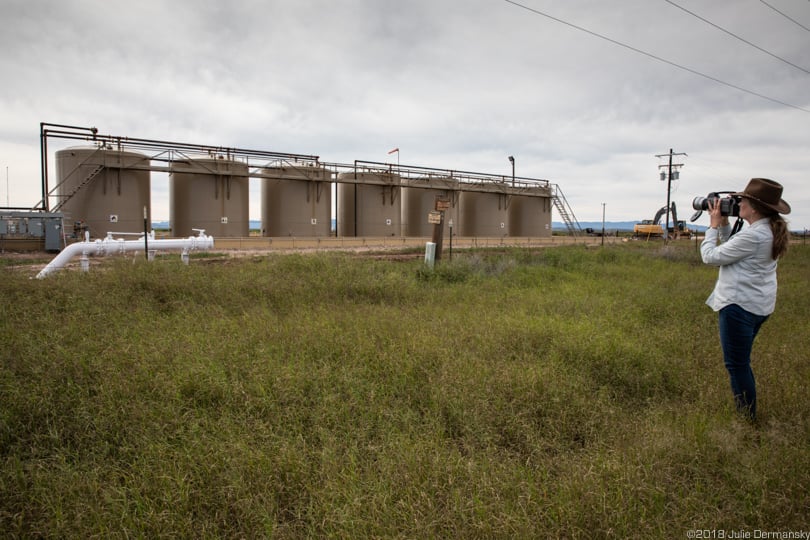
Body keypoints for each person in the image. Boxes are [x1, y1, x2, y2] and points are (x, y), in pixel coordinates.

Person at [700, 178, 791, 422]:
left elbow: (711, 257)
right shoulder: (766, 230)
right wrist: (725, 225)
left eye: (743, 201)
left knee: (737, 365)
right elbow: (735, 247)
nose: (738, 204)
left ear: (755, 207)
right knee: (741, 361)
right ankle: (746, 413)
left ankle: (747, 419)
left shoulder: (755, 235)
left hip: (738, 306)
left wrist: (712, 226)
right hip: (758, 305)